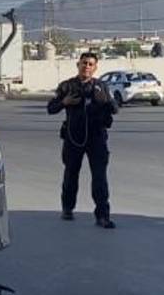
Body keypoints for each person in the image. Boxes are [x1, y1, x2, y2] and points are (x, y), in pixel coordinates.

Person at [47, 52, 118, 228]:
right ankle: (67, 208)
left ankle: (102, 216)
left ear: (95, 68)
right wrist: (65, 102)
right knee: (71, 174)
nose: (87, 67)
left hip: (96, 138)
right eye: (84, 63)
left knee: (99, 177)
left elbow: (114, 107)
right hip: (74, 137)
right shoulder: (67, 86)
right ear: (78, 65)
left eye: (91, 64)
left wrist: (109, 105)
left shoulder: (101, 87)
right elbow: (51, 108)